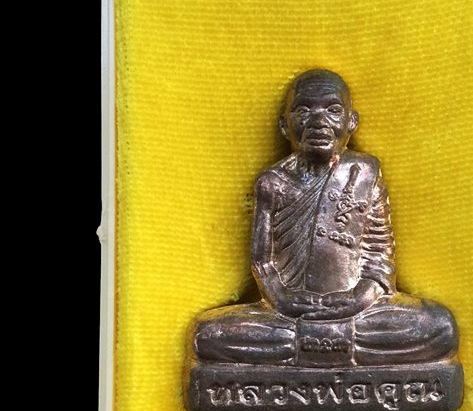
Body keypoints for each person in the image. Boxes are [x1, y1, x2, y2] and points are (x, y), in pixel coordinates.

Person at [192, 69, 458, 366]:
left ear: (351, 121)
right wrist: (281, 299)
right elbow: (263, 261)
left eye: (332, 110)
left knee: (439, 327)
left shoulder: (365, 173)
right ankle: (333, 348)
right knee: (208, 335)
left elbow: (379, 256)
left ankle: (307, 349)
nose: (318, 122)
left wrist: (359, 298)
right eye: (303, 111)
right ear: (284, 125)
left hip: (359, 312)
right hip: (287, 315)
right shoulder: (272, 183)